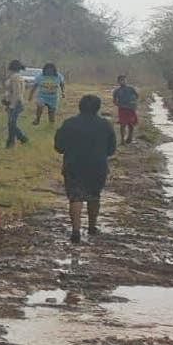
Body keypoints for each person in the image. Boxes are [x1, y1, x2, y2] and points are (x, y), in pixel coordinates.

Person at [54, 94, 117, 243]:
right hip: (98, 167)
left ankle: (75, 231)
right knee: (94, 196)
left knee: (75, 197)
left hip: (73, 165)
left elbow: (59, 147)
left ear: (79, 106)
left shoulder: (69, 123)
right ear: (98, 108)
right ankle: (92, 227)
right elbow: (111, 150)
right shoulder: (106, 125)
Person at [2, 60, 28, 148]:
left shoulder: (15, 77)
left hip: (16, 103)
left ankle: (12, 142)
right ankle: (20, 139)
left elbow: (17, 92)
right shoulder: (16, 76)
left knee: (11, 123)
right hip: (13, 102)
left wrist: (12, 105)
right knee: (11, 123)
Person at [112, 75, 140, 145]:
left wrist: (134, 103)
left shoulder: (131, 88)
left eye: (124, 80)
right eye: (121, 80)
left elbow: (137, 96)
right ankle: (122, 140)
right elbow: (114, 100)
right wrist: (118, 105)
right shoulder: (117, 91)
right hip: (122, 109)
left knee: (131, 124)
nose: (123, 81)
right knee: (122, 124)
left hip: (131, 109)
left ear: (126, 80)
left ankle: (130, 137)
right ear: (118, 82)